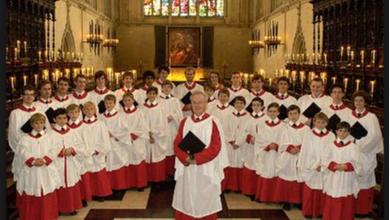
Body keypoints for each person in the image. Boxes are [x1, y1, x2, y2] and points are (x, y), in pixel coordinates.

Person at [172, 91, 228, 220]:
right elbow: (177, 143)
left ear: (206, 104)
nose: (197, 106)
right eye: (194, 103)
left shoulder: (213, 122)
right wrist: (185, 158)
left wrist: (196, 159)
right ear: (190, 104)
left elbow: (216, 147)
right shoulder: (184, 122)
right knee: (187, 195)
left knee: (205, 196)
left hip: (206, 167)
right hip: (187, 167)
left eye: (200, 102)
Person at [16, 113, 62, 220]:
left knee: (47, 191)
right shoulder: (25, 139)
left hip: (46, 169)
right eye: (36, 123)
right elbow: (22, 151)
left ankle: (48, 215)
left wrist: (45, 159)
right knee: (32, 191)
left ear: (44, 124)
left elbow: (55, 149)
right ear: (32, 124)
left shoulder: (50, 137)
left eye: (41, 123)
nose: (38, 125)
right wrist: (32, 161)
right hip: (32, 170)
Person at [346, 91, 384, 218]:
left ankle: (362, 210)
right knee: (351, 179)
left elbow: (375, 136)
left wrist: (359, 143)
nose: (358, 103)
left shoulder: (371, 117)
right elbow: (343, 131)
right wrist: (351, 142)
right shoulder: (348, 116)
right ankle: (351, 207)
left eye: (361, 101)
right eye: (356, 100)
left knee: (364, 180)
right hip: (351, 152)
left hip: (365, 153)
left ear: (365, 102)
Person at [321, 121, 363, 220]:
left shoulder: (353, 147)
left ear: (349, 133)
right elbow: (325, 159)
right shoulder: (330, 145)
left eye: (345, 131)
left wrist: (346, 166)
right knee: (333, 200)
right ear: (336, 132)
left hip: (346, 178)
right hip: (334, 177)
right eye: (340, 131)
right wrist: (334, 165)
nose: (343, 133)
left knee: (346, 202)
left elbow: (358, 163)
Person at [8, 85, 51, 181]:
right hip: (25, 153)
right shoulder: (15, 113)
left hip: (42, 154)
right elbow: (14, 136)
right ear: (22, 96)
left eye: (31, 94)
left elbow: (48, 132)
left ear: (35, 96)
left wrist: (43, 154)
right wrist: (26, 154)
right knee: (27, 181)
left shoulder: (41, 112)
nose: (29, 97)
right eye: (26, 94)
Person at [298, 112, 334, 219]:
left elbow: (331, 152)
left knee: (322, 190)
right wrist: (314, 164)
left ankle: (320, 212)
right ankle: (308, 211)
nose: (320, 124)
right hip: (311, 166)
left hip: (324, 167)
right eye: (318, 122)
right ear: (314, 122)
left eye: (323, 122)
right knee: (310, 190)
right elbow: (305, 151)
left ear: (327, 123)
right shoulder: (309, 134)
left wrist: (323, 165)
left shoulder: (331, 135)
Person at [50, 108, 85, 215]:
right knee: (58, 183)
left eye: (64, 118)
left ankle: (71, 207)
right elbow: (48, 149)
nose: (62, 121)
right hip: (58, 163)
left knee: (70, 183)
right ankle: (59, 208)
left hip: (70, 162)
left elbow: (80, 144)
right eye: (59, 118)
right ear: (54, 119)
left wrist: (72, 150)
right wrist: (61, 152)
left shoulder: (72, 131)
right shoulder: (50, 134)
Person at [275, 105, 310, 210]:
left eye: (295, 113)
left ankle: (297, 201)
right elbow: (281, 140)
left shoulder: (306, 128)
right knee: (287, 178)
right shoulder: (284, 127)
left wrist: (299, 148)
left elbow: (308, 142)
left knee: (298, 178)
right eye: (290, 114)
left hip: (300, 155)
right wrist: (290, 148)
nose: (293, 116)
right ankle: (286, 200)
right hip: (287, 155)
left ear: (299, 114)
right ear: (287, 115)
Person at [79, 101, 112, 201]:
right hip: (86, 154)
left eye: (91, 109)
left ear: (95, 110)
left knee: (98, 172)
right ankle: (88, 194)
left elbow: (105, 138)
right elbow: (79, 141)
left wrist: (98, 150)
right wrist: (87, 151)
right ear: (83, 111)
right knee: (86, 172)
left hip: (98, 153)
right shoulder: (80, 125)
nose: (89, 111)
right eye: (87, 109)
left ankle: (100, 193)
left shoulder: (100, 124)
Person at [98, 95, 132, 192]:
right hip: (105, 145)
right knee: (107, 165)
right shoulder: (101, 117)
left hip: (116, 144)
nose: (108, 105)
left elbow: (125, 131)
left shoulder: (119, 116)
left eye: (110, 103)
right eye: (106, 103)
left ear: (114, 103)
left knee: (117, 164)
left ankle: (119, 187)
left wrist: (113, 135)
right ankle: (109, 187)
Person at [254, 102, 285, 203]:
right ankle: (263, 196)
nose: (272, 113)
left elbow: (285, 139)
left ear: (278, 113)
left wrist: (277, 146)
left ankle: (275, 198)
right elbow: (259, 138)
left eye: (275, 111)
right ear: (267, 112)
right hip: (266, 152)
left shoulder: (283, 125)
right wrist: (267, 146)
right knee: (265, 171)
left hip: (277, 153)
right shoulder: (262, 124)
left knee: (276, 171)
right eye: (270, 111)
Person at [236, 97, 266, 199]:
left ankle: (259, 192)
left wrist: (259, 141)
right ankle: (250, 191)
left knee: (260, 166)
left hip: (261, 148)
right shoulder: (247, 118)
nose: (256, 107)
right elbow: (243, 132)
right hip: (250, 146)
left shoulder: (266, 119)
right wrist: (249, 138)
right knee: (250, 166)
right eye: (254, 105)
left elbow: (268, 133)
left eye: (258, 105)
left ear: (262, 106)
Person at [120, 92, 149, 190]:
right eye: (125, 101)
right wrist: (126, 136)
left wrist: (133, 136)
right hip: (125, 140)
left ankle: (140, 184)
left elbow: (142, 126)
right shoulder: (120, 112)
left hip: (137, 139)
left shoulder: (139, 112)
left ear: (133, 100)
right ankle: (127, 184)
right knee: (126, 160)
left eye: (129, 100)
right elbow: (119, 127)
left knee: (137, 159)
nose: (127, 102)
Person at [140, 86, 169, 183]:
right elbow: (141, 123)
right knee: (147, 156)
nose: (151, 95)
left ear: (156, 95)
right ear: (146, 94)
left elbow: (162, 123)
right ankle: (147, 179)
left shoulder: (160, 107)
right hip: (146, 136)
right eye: (149, 93)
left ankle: (158, 180)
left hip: (157, 137)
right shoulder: (142, 108)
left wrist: (153, 133)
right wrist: (148, 134)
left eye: (153, 94)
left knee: (156, 157)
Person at [223, 96, 250, 192]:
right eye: (237, 103)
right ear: (234, 104)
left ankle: (239, 187)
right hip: (230, 144)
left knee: (240, 163)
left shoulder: (248, 116)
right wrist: (231, 141)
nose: (239, 105)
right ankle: (228, 186)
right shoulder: (229, 116)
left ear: (244, 105)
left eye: (241, 103)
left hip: (242, 145)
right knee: (230, 163)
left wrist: (238, 142)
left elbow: (247, 132)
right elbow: (225, 130)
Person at [158, 80, 184, 177]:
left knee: (172, 146)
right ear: (162, 88)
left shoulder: (175, 100)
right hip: (162, 127)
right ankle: (163, 171)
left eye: (168, 87)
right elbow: (156, 113)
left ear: (171, 89)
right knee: (163, 146)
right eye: (165, 87)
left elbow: (179, 113)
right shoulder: (158, 100)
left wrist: (172, 116)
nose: (166, 89)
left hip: (172, 126)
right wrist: (163, 119)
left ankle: (172, 171)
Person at [66, 104, 90, 207]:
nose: (74, 115)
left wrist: (80, 152)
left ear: (79, 113)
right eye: (71, 112)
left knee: (82, 176)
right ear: (67, 114)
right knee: (73, 178)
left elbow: (87, 142)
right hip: (71, 157)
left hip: (81, 155)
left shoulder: (84, 126)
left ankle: (84, 197)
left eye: (76, 112)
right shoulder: (66, 128)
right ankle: (77, 198)